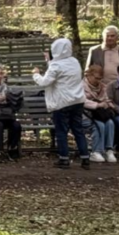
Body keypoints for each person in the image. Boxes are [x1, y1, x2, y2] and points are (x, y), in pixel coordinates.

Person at [32, 38, 89, 170]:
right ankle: (85, 158)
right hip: (77, 100)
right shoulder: (74, 62)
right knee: (78, 130)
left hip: (62, 102)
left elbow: (45, 82)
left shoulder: (56, 66)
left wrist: (36, 74)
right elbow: (58, 71)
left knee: (61, 131)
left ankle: (64, 158)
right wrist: (49, 62)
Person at [82, 65, 117, 163]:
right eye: (96, 78)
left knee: (110, 123)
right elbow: (82, 101)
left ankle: (109, 150)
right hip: (85, 114)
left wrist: (107, 104)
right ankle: (97, 151)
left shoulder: (103, 87)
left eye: (100, 78)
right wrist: (97, 104)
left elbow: (106, 99)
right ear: (89, 75)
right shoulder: (81, 86)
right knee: (99, 125)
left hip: (99, 114)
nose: (98, 81)